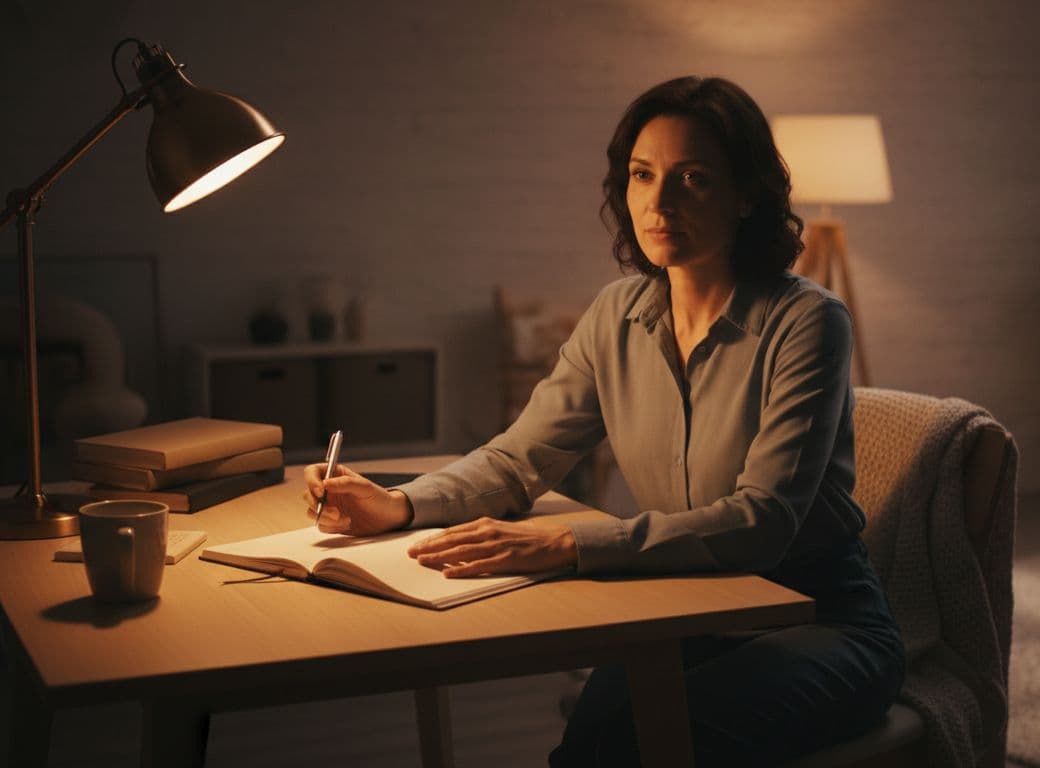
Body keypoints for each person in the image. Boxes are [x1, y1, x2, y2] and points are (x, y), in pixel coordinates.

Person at [303, 75, 903, 767]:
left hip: (817, 616)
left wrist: (572, 544)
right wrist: (399, 503)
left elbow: (763, 521)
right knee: (584, 752)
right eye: (643, 175)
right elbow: (517, 459)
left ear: (746, 196)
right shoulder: (616, 314)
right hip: (681, 610)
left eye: (694, 179)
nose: (659, 202)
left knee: (652, 744)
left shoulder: (807, 322)